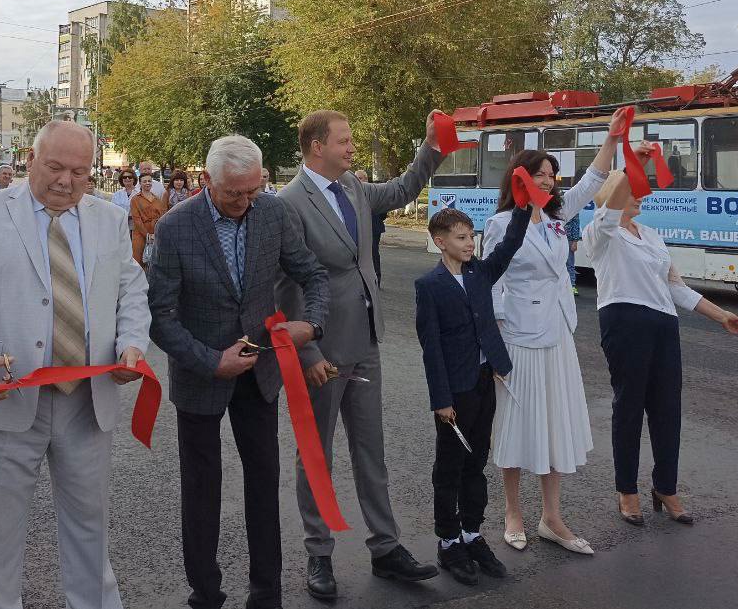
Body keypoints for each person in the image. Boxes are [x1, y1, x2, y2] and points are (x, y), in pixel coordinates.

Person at [0, 120, 151, 609]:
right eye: (54, 167)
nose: (66, 181)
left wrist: (131, 343)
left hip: (86, 401)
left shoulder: (108, 220)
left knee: (90, 527)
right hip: (6, 395)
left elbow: (130, 290)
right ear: (30, 160)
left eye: (80, 171)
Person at [148, 135, 329, 609]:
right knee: (202, 491)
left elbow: (311, 274)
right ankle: (205, 594)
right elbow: (161, 317)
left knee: (264, 483)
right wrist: (213, 361)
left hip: (261, 375)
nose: (246, 202)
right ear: (206, 181)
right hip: (200, 378)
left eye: (254, 190)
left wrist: (310, 322)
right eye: (235, 193)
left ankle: (266, 594)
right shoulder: (174, 227)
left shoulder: (272, 213)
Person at [277, 109, 445, 599]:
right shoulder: (289, 204)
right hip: (322, 351)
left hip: (366, 340)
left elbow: (400, 191)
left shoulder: (352, 186)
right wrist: (306, 352)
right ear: (315, 147)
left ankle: (386, 547)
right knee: (317, 455)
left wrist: (431, 148)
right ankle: (319, 554)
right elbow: (284, 288)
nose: (352, 148)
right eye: (344, 141)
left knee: (371, 449)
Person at [484, 105, 632, 556]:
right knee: (516, 426)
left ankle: (552, 517)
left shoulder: (554, 219)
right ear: (519, 177)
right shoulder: (499, 225)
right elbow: (490, 287)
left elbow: (592, 181)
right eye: (539, 173)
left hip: (557, 334)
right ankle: (513, 512)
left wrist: (612, 138)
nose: (547, 180)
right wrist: (495, 350)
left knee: (554, 426)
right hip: (518, 338)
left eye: (551, 174)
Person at [583, 171, 738, 525]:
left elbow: (676, 288)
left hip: (663, 325)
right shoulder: (600, 233)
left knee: (667, 409)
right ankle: (627, 490)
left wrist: (720, 315)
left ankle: (665, 487)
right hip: (624, 322)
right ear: (613, 194)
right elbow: (608, 213)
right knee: (629, 407)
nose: (641, 196)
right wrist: (627, 168)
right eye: (632, 191)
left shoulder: (653, 236)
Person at [415, 205, 529, 586]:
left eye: (471, 237)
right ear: (440, 241)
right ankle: (448, 543)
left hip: (483, 379)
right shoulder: (429, 287)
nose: (469, 244)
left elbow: (510, 244)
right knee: (449, 467)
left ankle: (472, 534)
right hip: (454, 390)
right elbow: (431, 347)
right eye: (461, 238)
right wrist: (440, 399)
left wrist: (524, 206)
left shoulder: (480, 272)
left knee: (477, 461)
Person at [354, 169, 387, 285]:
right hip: (360, 228)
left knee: (373, 253)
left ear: (365, 179)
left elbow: (383, 211)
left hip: (373, 227)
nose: (357, 181)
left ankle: (376, 279)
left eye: (359, 178)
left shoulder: (373, 191)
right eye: (356, 178)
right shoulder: (354, 192)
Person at [129, 169, 165, 267]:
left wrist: (156, 234)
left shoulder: (157, 199)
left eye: (149, 181)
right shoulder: (135, 199)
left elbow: (162, 217)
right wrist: (148, 235)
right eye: (144, 181)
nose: (147, 183)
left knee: (154, 262)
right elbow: (136, 219)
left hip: (155, 233)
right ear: (140, 183)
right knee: (139, 261)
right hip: (140, 233)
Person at [565, 212, 581, 296]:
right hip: (557, 237)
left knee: (570, 264)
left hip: (569, 240)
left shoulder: (574, 208)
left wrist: (575, 241)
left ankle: (572, 286)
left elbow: (576, 223)